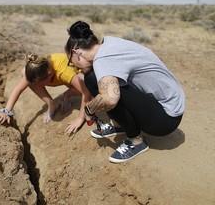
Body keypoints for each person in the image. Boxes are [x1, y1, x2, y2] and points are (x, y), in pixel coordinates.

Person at [64, 21, 185, 163]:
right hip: (167, 104)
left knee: (101, 85)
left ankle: (136, 141)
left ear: (76, 51)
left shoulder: (103, 60)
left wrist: (89, 110)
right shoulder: (109, 44)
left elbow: (110, 99)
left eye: (71, 62)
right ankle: (118, 124)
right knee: (96, 79)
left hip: (165, 119)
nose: (75, 68)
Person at [0, 52, 91, 134]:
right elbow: (18, 89)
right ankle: (51, 104)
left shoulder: (64, 72)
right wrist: (6, 111)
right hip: (55, 76)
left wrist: (80, 118)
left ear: (49, 75)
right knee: (24, 74)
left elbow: (86, 92)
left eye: (40, 84)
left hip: (79, 73)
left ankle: (68, 94)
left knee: (89, 87)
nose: (38, 86)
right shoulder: (37, 67)